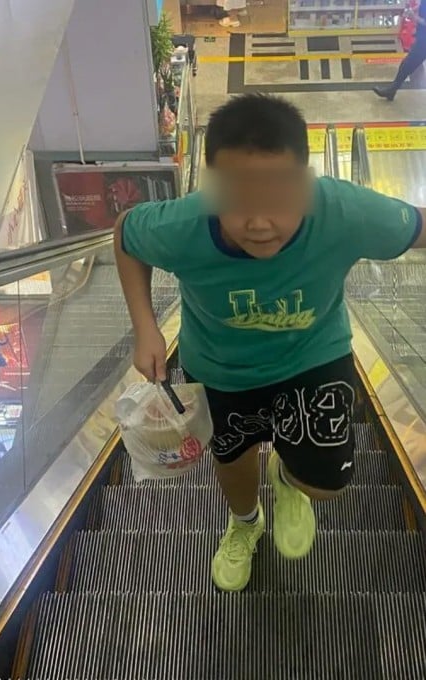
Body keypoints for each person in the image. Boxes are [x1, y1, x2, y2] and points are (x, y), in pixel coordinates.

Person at [114, 93, 426, 593]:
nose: (260, 224)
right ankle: (244, 523)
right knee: (232, 461)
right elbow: (125, 236)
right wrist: (145, 326)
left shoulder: (345, 211)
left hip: (313, 357)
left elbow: (417, 226)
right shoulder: (180, 226)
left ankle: (287, 480)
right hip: (220, 370)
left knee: (326, 483)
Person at [373, 0, 426, 101]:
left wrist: (414, 17)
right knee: (406, 64)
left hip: (424, 41)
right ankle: (391, 91)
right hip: (422, 38)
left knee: (407, 64)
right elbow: (422, 5)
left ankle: (391, 91)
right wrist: (412, 10)